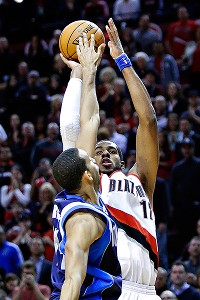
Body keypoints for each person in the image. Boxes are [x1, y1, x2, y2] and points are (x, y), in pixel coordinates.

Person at [60, 18, 160, 299]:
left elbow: (148, 120)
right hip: (111, 287)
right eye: (98, 151)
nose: (104, 153)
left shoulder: (140, 180)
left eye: (111, 150)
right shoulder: (88, 184)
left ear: (122, 157)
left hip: (148, 289)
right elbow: (81, 124)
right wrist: (80, 75)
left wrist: (121, 58)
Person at [50, 34, 122, 300]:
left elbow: (88, 121)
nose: (96, 157)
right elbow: (72, 282)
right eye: (92, 159)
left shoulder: (80, 194)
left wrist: (85, 73)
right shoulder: (82, 221)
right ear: (87, 176)